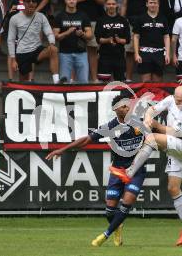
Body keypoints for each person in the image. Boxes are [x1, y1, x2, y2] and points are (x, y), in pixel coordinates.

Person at [45, 94, 145, 247]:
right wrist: (62, 150)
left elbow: (158, 131)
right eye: (124, 106)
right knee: (110, 212)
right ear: (115, 109)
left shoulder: (140, 122)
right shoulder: (110, 127)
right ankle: (117, 227)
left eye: (128, 105)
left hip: (136, 171)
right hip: (117, 171)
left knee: (126, 204)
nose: (127, 108)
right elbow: (86, 140)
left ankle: (105, 235)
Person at [110, 86, 182, 246]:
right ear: (174, 97)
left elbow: (172, 133)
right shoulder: (170, 100)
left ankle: (128, 173)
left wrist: (154, 124)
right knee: (173, 188)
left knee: (151, 138)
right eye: (179, 101)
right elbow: (152, 109)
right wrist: (148, 117)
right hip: (176, 148)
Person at [7, 0, 60, 83]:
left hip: (37, 50)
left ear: (36, 3)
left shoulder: (41, 16)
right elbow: (10, 40)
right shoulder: (14, 18)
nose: (31, 3)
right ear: (23, 3)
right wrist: (13, 59)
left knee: (54, 49)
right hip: (22, 52)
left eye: (33, 1)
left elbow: (49, 32)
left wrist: (51, 43)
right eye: (28, 1)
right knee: (23, 81)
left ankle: (56, 81)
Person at [64, 0, 108, 83]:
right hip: (75, 17)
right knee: (74, 48)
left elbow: (102, 0)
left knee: (93, 50)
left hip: (94, 18)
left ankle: (94, 79)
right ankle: (72, 79)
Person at [120, 0, 158, 82]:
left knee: (147, 48)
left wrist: (155, 18)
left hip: (147, 20)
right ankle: (128, 78)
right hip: (131, 20)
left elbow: (154, 1)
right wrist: (121, 20)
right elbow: (124, 3)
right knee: (130, 50)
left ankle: (148, 79)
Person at [53, 0, 92, 83]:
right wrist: (67, 32)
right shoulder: (59, 16)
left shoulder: (83, 15)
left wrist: (82, 34)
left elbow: (90, 35)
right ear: (65, 1)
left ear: (76, 0)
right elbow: (55, 37)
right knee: (64, 83)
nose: (71, 1)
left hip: (81, 53)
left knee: (83, 82)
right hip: (65, 53)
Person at [133, 0, 170, 82]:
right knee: (146, 82)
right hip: (145, 53)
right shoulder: (140, 18)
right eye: (151, 2)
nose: (153, 5)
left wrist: (168, 54)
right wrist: (136, 54)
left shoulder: (163, 18)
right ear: (147, 4)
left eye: (155, 3)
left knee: (158, 83)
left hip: (159, 53)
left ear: (158, 4)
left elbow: (166, 37)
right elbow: (136, 37)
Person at [95, 0, 131, 82]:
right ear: (105, 6)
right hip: (105, 56)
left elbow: (128, 40)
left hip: (119, 57)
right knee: (104, 84)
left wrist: (119, 40)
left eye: (113, 4)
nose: (111, 6)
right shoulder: (101, 20)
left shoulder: (123, 20)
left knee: (120, 83)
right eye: (109, 4)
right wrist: (107, 40)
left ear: (117, 5)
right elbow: (98, 39)